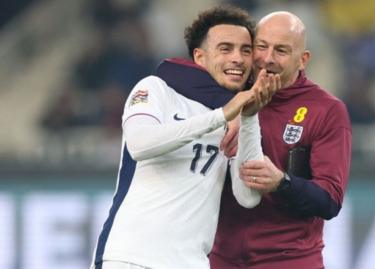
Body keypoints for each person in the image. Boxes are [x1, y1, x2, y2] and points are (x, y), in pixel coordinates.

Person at [91, 6, 280, 269]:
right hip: (130, 257)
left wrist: (249, 117)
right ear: (199, 57)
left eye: (245, 50)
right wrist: (222, 115)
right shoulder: (156, 89)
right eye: (225, 49)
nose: (237, 58)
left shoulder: (242, 117)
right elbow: (140, 144)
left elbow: (248, 197)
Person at [179, 11, 351, 269]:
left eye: (281, 50)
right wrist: (228, 113)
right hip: (218, 259)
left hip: (289, 261)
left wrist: (281, 183)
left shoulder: (326, 110)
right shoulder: (224, 93)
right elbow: (169, 73)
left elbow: (329, 200)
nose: (268, 59)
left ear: (302, 60)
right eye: (261, 47)